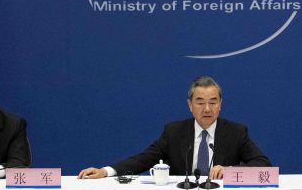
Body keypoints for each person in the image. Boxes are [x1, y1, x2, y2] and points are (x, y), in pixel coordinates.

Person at [78, 76, 270, 180]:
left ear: (220, 105)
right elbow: (143, 160)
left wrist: (229, 170)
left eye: (213, 102)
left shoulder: (236, 132)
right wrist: (106, 171)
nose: (207, 109)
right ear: (190, 105)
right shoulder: (174, 132)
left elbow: (263, 164)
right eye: (200, 102)